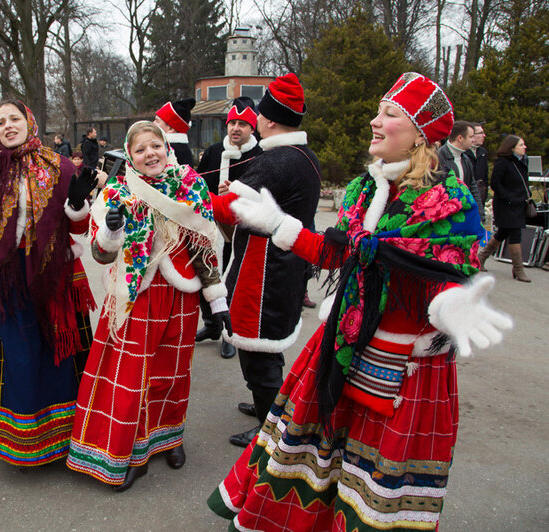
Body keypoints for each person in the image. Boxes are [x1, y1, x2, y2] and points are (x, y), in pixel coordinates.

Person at [208, 72, 512, 531]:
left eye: (389, 114)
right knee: (316, 452)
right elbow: (342, 253)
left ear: (420, 135)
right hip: (344, 342)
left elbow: (444, 272)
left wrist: (451, 307)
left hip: (404, 364)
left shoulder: (448, 201)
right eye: (378, 110)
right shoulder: (362, 189)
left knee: (375, 472)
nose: (374, 121)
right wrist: (279, 226)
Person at [67, 121, 231, 492]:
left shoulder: (190, 184)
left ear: (166, 147)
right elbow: (100, 253)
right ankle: (130, 454)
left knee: (172, 374)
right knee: (131, 375)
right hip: (134, 294)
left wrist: (216, 299)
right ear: (130, 156)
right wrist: (110, 230)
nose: (150, 154)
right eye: (140, 150)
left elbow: (204, 246)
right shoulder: (118, 192)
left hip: (181, 295)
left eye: (155, 145)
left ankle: (169, 439)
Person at [0, 100, 99, 466]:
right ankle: (25, 443)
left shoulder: (61, 166)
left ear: (30, 122)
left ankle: (68, 439)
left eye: (15, 119)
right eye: (1, 122)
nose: (8, 126)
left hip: (53, 278)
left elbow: (79, 231)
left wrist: (76, 206)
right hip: (6, 281)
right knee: (18, 360)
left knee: (59, 358)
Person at [208, 74, 322, 448]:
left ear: (268, 120)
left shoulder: (278, 161)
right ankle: (267, 406)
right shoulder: (302, 155)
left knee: (258, 349)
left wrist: (192, 193)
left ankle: (270, 427)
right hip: (282, 266)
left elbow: (228, 208)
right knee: (266, 346)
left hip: (265, 271)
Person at [195, 96, 262, 360]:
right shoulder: (213, 152)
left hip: (241, 229)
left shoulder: (260, 155)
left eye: (242, 124)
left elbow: (263, 194)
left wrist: (235, 192)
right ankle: (211, 326)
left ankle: (228, 333)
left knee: (230, 281)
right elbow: (198, 185)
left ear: (252, 128)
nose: (236, 128)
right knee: (205, 277)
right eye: (232, 123)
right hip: (210, 226)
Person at [477, 135, 532, 282]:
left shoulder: (522, 162)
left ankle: (481, 257)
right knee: (515, 233)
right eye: (521, 145)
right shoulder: (503, 162)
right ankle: (518, 269)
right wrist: (507, 198)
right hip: (506, 204)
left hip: (519, 204)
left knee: (503, 232)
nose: (524, 147)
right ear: (512, 147)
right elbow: (495, 182)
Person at [438, 120, 483, 220]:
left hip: (463, 213)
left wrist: (480, 213)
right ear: (460, 138)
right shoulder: (439, 158)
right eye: (471, 137)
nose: (473, 140)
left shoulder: (465, 159)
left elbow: (472, 187)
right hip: (446, 216)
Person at [153, 98, 196, 166]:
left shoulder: (167, 149)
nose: (153, 124)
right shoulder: (182, 149)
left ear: (170, 128)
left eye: (157, 121)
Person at [469, 122, 489, 205]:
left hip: (480, 196)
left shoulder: (483, 152)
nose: (484, 135)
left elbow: (485, 176)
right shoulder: (463, 153)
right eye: (480, 133)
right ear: (472, 135)